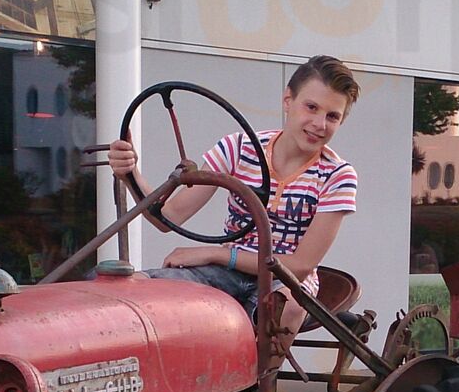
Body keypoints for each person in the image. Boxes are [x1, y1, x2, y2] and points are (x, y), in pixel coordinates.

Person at [105, 55, 360, 313]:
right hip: (226, 274)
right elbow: (167, 216)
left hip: (285, 283)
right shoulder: (238, 148)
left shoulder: (337, 176)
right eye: (311, 107)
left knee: (286, 309)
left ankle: (261, 353)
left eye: (332, 116)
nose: (319, 124)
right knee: (136, 289)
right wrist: (130, 173)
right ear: (288, 100)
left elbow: (300, 265)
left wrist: (215, 254)